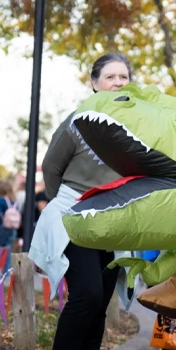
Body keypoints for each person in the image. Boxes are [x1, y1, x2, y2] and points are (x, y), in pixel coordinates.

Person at [30, 52, 133, 350]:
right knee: (86, 294)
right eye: (110, 77)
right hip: (74, 215)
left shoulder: (137, 126)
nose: (117, 83)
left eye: (123, 77)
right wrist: (67, 205)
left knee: (100, 300)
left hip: (114, 220)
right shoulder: (78, 121)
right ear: (94, 83)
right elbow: (51, 168)